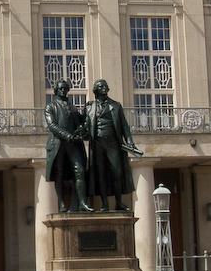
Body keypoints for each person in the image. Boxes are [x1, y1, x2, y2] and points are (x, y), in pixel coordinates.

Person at [85, 79, 142, 211]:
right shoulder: (90, 107)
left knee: (117, 172)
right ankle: (104, 203)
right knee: (101, 173)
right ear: (95, 90)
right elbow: (86, 126)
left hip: (113, 143)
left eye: (105, 86)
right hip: (98, 143)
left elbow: (124, 126)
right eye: (101, 86)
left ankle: (118, 202)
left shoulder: (116, 106)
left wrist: (130, 142)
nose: (104, 88)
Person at [44, 79, 93, 212]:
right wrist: (67, 135)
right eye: (60, 89)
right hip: (58, 144)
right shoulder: (50, 107)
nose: (63, 91)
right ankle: (61, 203)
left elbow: (80, 121)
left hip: (73, 145)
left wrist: (87, 111)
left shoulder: (72, 107)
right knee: (59, 173)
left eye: (65, 89)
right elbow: (52, 126)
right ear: (55, 91)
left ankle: (82, 203)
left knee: (80, 170)